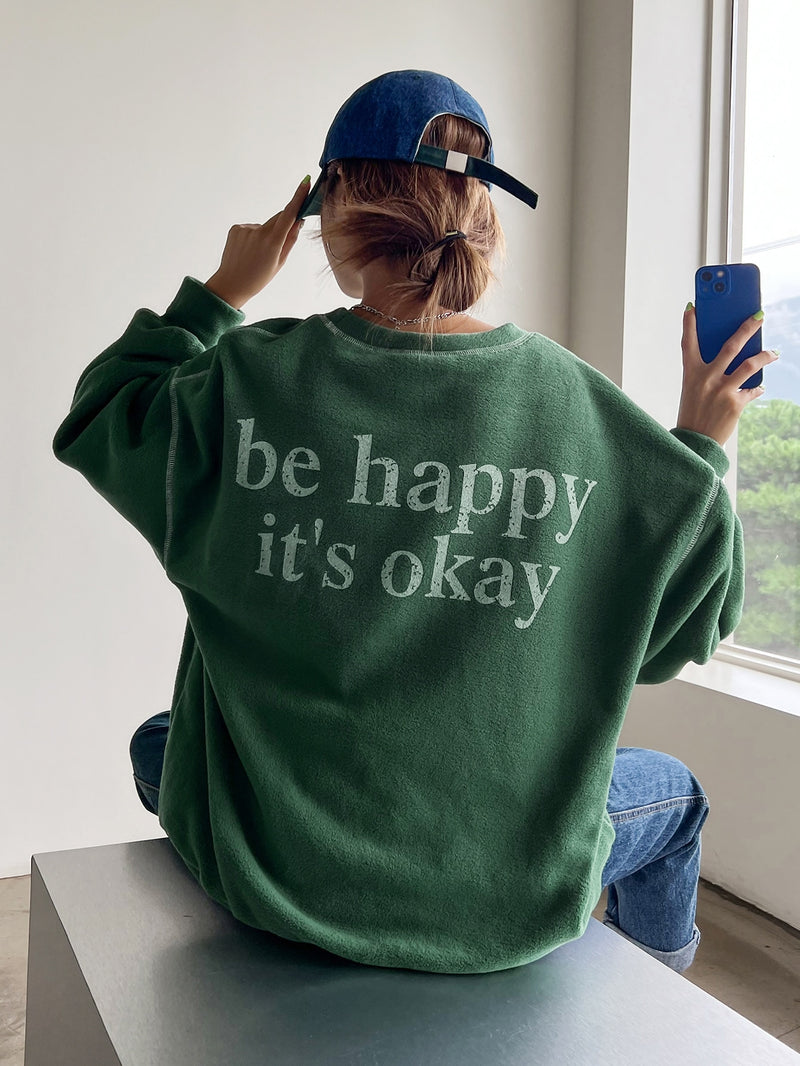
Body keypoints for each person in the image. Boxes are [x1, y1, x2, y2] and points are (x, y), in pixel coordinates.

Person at [53, 69, 778, 976]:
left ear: (329, 214)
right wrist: (700, 445)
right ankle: (648, 1002)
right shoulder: (586, 414)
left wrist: (220, 292)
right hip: (502, 894)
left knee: (166, 742)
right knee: (677, 798)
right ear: (487, 215)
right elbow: (682, 632)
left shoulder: (243, 380)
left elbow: (102, 415)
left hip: (277, 871)